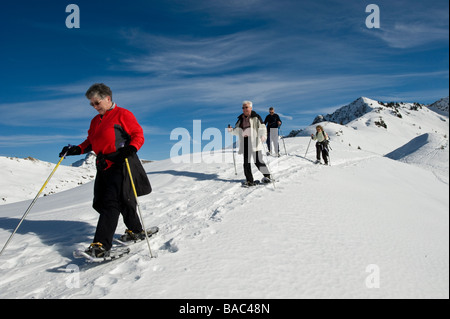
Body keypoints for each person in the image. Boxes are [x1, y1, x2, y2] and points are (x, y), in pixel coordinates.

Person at [59, 83, 152, 257]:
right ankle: (136, 230)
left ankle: (101, 245)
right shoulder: (95, 121)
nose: (94, 107)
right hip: (103, 166)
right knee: (111, 201)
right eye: (91, 104)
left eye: (97, 103)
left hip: (121, 164)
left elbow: (138, 134)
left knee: (111, 202)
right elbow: (90, 142)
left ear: (107, 99)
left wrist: (131, 148)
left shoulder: (123, 114)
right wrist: (76, 149)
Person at [228, 101, 273, 186]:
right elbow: (237, 131)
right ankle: (249, 180)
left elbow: (262, 128)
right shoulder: (240, 119)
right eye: (243, 108)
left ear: (251, 108)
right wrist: (231, 131)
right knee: (246, 162)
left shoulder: (256, 117)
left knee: (258, 161)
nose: (244, 109)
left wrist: (263, 136)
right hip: (245, 141)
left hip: (255, 141)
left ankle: (267, 176)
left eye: (246, 107)